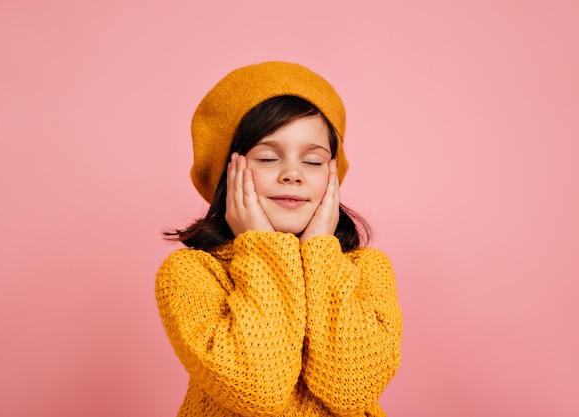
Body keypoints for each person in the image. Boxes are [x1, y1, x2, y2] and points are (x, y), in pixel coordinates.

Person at [155, 61, 402, 417]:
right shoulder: (191, 272)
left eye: (314, 162)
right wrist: (261, 246)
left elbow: (353, 389)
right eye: (269, 157)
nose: (292, 174)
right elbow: (258, 389)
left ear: (333, 176)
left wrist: (319, 252)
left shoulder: (368, 269)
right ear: (229, 171)